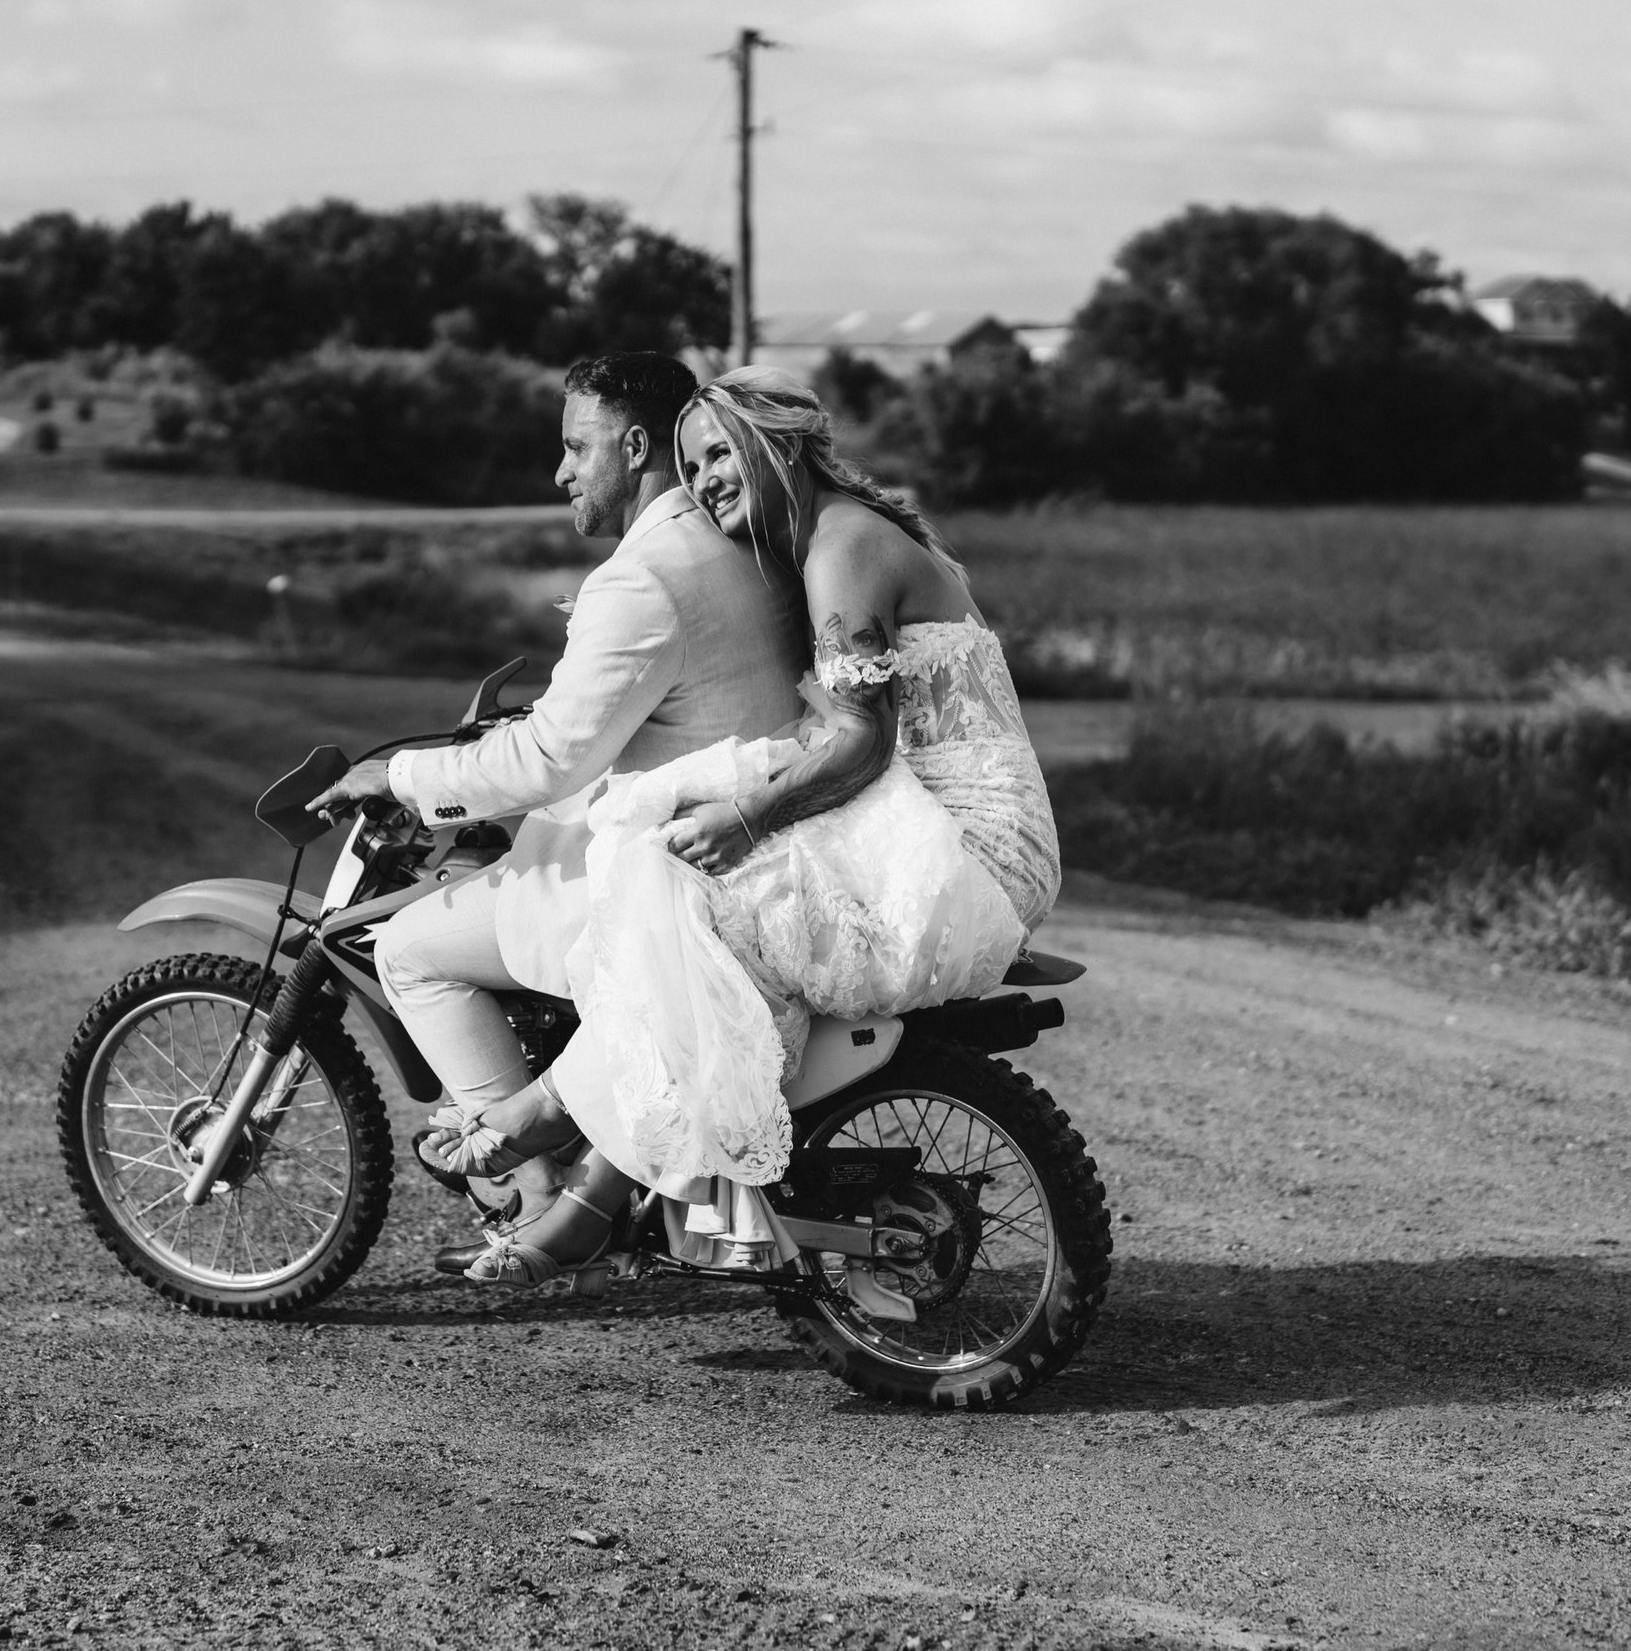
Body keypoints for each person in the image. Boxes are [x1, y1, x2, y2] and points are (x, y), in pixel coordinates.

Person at [418, 365, 1062, 1282]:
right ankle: (603, 1191)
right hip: (937, 812)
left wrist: (747, 819)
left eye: (722, 452)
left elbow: (861, 741)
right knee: (664, 872)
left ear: (782, 444)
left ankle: (548, 1124)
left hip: (970, 843)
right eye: (694, 462)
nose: (709, 477)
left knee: (690, 904)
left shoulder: (841, 549)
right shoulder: (825, 540)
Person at [304, 352, 806, 1269]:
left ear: (638, 445)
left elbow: (547, 760)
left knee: (412, 949)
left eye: (578, 447)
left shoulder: (640, 578)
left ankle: (532, 1186)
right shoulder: (740, 540)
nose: (561, 471)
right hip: (748, 837)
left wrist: (406, 778)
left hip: (664, 866)